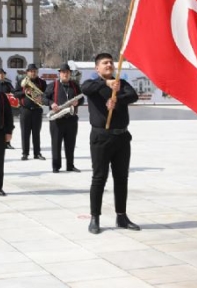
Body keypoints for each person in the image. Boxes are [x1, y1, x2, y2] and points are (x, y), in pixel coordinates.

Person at [81, 52, 139, 234]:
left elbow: (133, 95)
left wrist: (117, 99)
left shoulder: (120, 84)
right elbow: (85, 88)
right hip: (101, 137)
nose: (109, 65)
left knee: (121, 178)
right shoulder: (93, 84)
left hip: (121, 137)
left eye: (111, 63)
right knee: (99, 178)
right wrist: (105, 84)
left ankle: (121, 215)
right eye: (105, 63)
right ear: (97, 68)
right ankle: (95, 217)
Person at [45, 63, 84, 173]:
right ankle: (56, 166)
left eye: (67, 72)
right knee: (56, 143)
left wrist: (78, 102)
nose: (65, 74)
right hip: (57, 119)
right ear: (60, 74)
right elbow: (44, 98)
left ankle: (70, 165)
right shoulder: (53, 85)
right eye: (63, 72)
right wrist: (52, 103)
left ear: (70, 73)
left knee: (70, 143)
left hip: (71, 119)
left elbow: (82, 99)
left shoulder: (75, 86)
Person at [13, 63, 47, 160]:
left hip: (37, 110)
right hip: (25, 110)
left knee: (36, 133)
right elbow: (15, 94)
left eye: (35, 71)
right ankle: (25, 153)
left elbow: (46, 95)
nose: (33, 73)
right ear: (27, 72)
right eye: (31, 71)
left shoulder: (42, 82)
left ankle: (37, 153)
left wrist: (41, 97)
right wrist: (25, 92)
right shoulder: (21, 81)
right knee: (25, 133)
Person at [0, 68, 17, 150]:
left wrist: (14, 94)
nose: (1, 75)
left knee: (9, 125)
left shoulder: (8, 83)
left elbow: (14, 91)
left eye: (2, 74)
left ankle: (7, 143)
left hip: (7, 107)